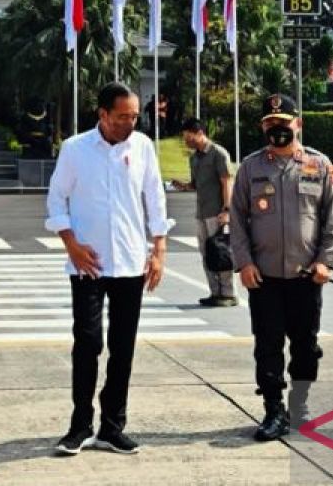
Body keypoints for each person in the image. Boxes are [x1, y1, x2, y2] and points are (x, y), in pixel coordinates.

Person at [46, 82, 172, 456]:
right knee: (87, 343)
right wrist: (71, 243)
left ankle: (112, 426)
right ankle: (80, 425)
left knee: (123, 347)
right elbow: (56, 198)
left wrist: (159, 248)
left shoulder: (143, 146)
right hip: (89, 264)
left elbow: (155, 197)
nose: (129, 123)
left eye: (134, 116)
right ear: (102, 114)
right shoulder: (75, 149)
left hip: (131, 262)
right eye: (122, 117)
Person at [230, 93, 333, 442]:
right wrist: (244, 263)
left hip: (306, 277)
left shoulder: (319, 166)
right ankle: (273, 410)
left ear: (298, 123)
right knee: (267, 346)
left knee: (306, 347)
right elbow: (236, 219)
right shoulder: (251, 167)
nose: (276, 128)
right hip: (263, 278)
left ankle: (301, 403)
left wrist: (325, 262)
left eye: (283, 122)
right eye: (269, 123)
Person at [171, 117, 236, 307]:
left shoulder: (218, 154)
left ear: (200, 133)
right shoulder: (194, 158)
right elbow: (195, 185)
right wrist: (183, 186)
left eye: (188, 136)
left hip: (217, 213)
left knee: (221, 252)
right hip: (201, 213)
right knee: (207, 253)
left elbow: (227, 183)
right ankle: (215, 292)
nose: (186, 141)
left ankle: (228, 293)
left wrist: (227, 210)